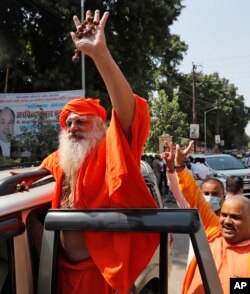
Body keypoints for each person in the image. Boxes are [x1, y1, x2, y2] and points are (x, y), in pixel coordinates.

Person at [22, 10, 159, 294]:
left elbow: (128, 111)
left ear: (101, 125)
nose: (72, 127)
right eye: (68, 123)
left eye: (81, 121)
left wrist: (100, 55)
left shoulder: (111, 149)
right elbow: (25, 182)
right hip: (58, 272)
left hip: (102, 274)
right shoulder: (60, 158)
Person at [170, 141, 250, 294]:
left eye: (235, 217)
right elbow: (195, 197)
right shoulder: (215, 229)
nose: (226, 221)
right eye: (224, 215)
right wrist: (179, 166)